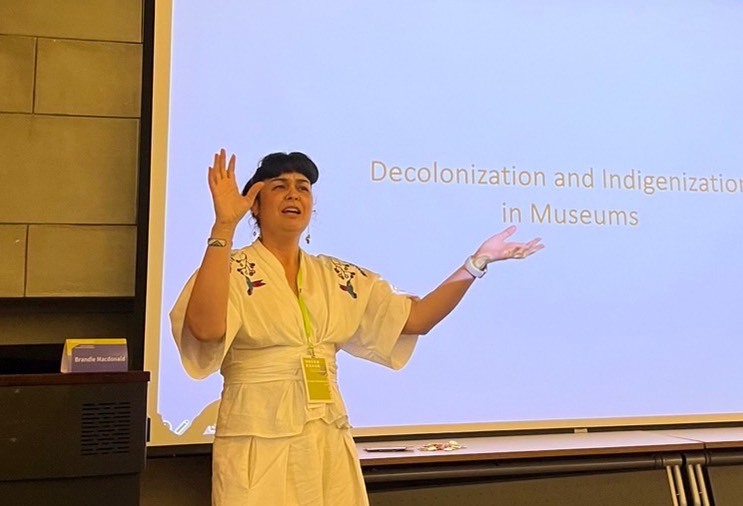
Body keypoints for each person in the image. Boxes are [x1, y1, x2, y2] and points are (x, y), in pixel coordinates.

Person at [170, 149, 543, 506]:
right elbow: (205, 329)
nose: (294, 194)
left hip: (325, 435)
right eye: (280, 186)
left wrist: (476, 263)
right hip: (257, 439)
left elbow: (417, 318)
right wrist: (223, 226)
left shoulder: (335, 275)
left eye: (303, 187)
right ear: (254, 204)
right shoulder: (232, 268)